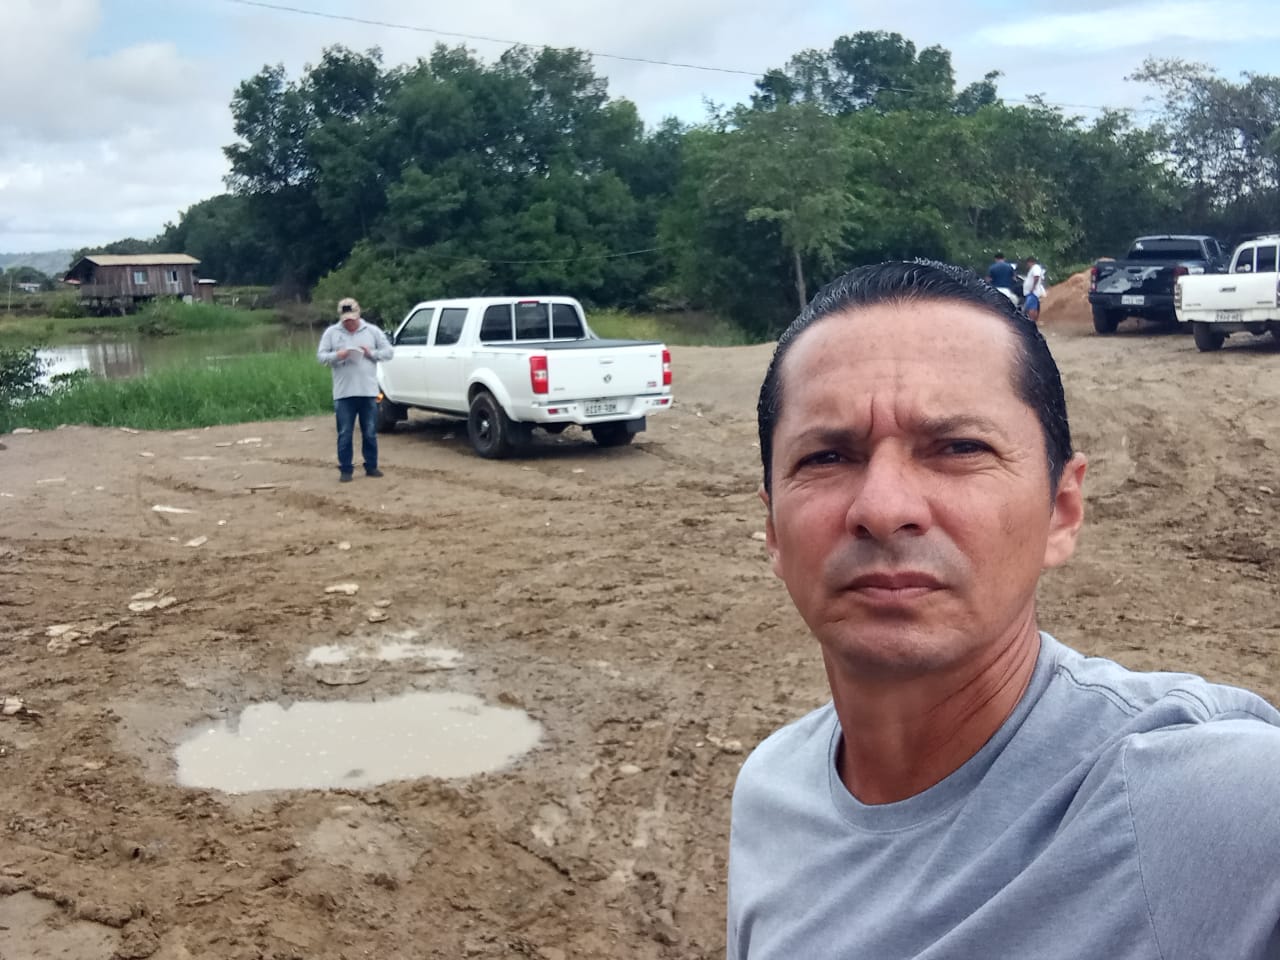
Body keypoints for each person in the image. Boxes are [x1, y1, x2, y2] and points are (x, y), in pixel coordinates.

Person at [727, 260, 1280, 959]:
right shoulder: (771, 792)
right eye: (828, 457)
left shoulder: (1205, 801)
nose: (884, 508)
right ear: (774, 530)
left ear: (1062, 510)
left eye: (960, 448)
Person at [317, 297, 393, 482]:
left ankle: (371, 466)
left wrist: (370, 353)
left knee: (370, 431)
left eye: (352, 320)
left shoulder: (372, 331)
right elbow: (321, 356)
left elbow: (389, 352)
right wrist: (338, 355)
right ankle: (345, 469)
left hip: (368, 391)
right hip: (344, 392)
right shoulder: (332, 333)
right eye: (346, 320)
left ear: (358, 315)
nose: (349, 323)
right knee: (345, 433)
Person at [1022, 254, 1047, 323]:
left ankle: (1032, 322)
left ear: (1030, 262)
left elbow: (1036, 277)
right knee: (1032, 307)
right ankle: (1033, 322)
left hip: (1032, 292)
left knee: (1031, 308)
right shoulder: (1034, 268)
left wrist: (1033, 287)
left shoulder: (1035, 268)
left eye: (1027, 263)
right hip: (1031, 292)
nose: (1027, 265)